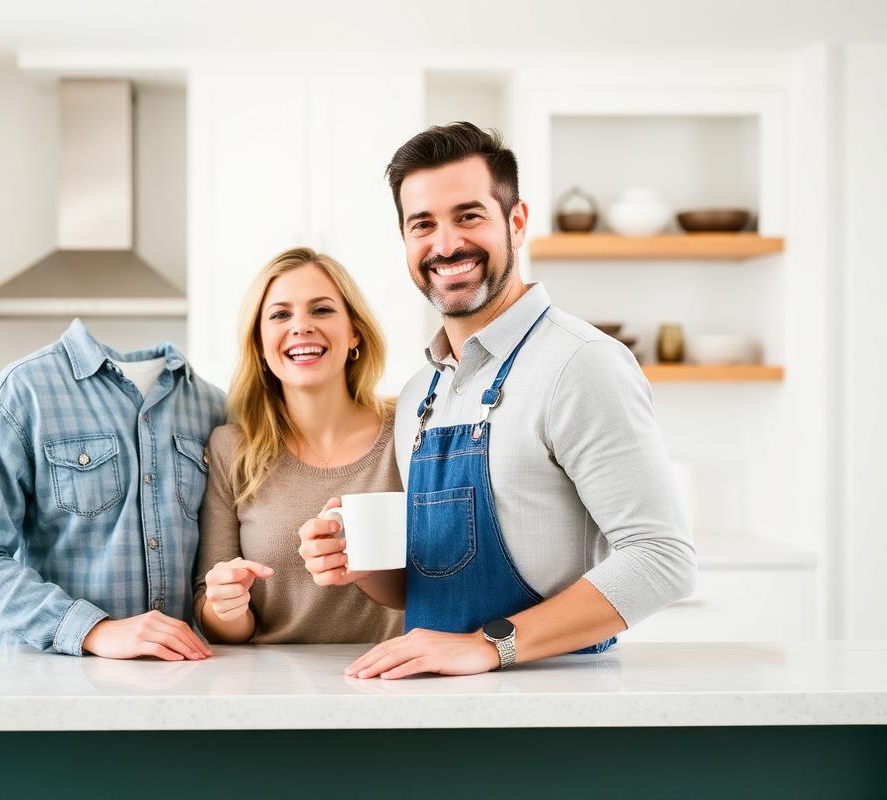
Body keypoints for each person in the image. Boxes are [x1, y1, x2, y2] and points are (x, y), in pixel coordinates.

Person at [298, 122, 697, 677]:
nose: (445, 245)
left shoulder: (582, 364)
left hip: (552, 702)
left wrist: (491, 646)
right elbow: (432, 587)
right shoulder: (420, 392)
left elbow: (662, 560)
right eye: (422, 225)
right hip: (430, 697)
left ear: (517, 222)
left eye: (468, 216)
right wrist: (359, 563)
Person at [0, 320, 226, 660]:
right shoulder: (23, 392)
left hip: (183, 680)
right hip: (50, 685)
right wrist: (91, 629)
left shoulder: (213, 407)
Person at [194, 247, 404, 644]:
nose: (301, 326)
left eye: (321, 310)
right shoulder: (231, 449)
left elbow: (445, 578)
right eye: (279, 314)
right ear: (259, 342)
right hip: (275, 688)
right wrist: (224, 605)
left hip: (396, 677)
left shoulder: (409, 430)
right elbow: (222, 626)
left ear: (354, 331)